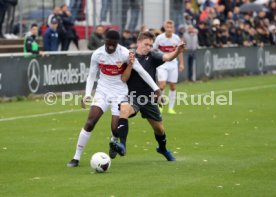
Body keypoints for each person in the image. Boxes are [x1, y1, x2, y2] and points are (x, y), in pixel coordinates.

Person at [67, 30, 161, 167]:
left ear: (118, 43)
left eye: (114, 44)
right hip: (102, 92)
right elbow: (92, 75)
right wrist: (87, 94)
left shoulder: (125, 54)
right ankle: (76, 157)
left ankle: (114, 138)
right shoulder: (97, 54)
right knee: (90, 122)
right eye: (109, 44)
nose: (111, 47)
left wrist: (156, 88)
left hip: (120, 93)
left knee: (116, 128)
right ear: (104, 41)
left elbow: (142, 71)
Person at [109, 31, 185, 161]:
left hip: (149, 98)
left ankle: (163, 149)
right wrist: (130, 65)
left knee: (160, 129)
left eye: (150, 45)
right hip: (131, 96)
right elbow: (123, 78)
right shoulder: (128, 56)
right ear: (138, 42)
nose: (148, 47)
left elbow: (167, 57)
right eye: (146, 44)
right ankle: (121, 144)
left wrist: (177, 51)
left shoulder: (153, 56)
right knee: (124, 108)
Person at [153, 20, 184, 114]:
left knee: (173, 86)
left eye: (171, 27)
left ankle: (171, 108)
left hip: (173, 64)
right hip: (162, 64)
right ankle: (160, 105)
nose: (169, 29)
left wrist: (181, 63)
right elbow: (154, 50)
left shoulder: (176, 38)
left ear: (173, 28)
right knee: (162, 85)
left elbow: (180, 51)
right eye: (168, 27)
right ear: (165, 28)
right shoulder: (159, 38)